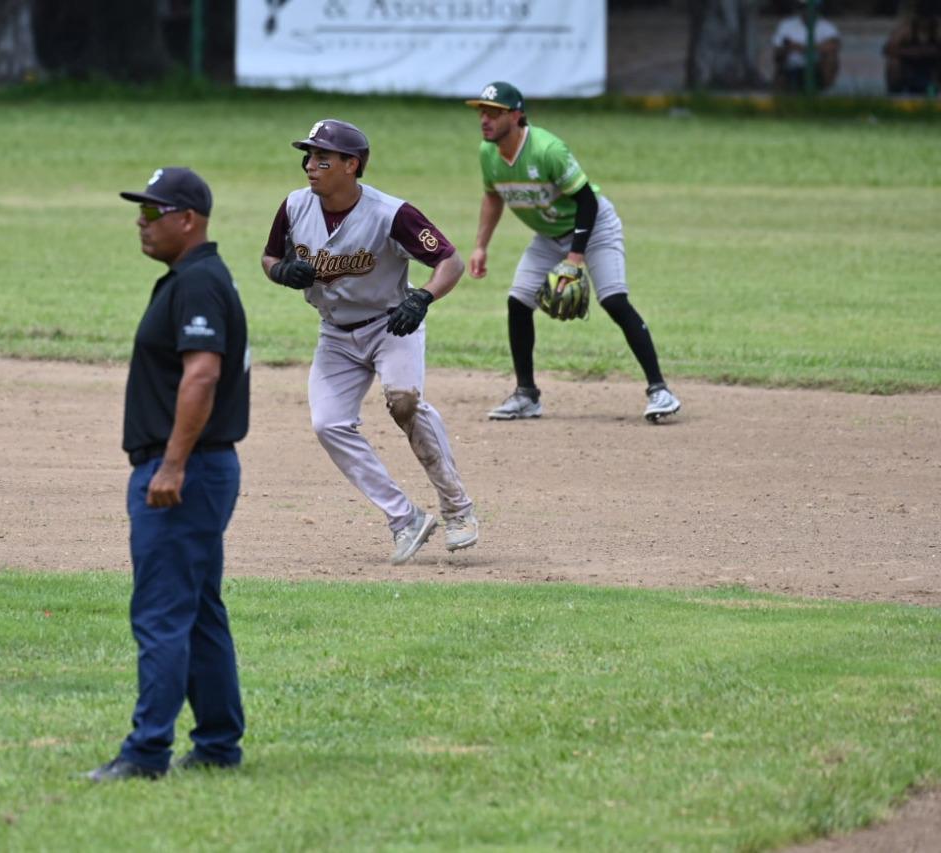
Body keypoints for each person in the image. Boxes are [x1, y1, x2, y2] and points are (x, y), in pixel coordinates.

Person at [84, 167, 250, 783]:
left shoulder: (199, 284)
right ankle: (217, 743)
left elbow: (202, 375)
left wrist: (172, 463)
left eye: (153, 212)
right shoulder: (192, 280)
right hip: (200, 468)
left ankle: (146, 752)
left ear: (188, 219)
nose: (141, 222)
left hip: (186, 471)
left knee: (161, 613)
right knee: (199, 608)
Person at [260, 119, 479, 566]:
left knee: (404, 403)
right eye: (308, 156)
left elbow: (450, 262)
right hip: (335, 335)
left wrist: (422, 298)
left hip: (392, 325)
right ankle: (405, 519)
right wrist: (280, 271)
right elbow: (269, 256)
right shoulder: (295, 206)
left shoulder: (391, 213)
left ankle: (457, 509)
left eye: (322, 157)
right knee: (329, 424)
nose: (310, 166)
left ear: (351, 165)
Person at [465, 82, 681, 423]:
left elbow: (587, 200)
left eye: (494, 112)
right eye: (482, 111)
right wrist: (480, 246)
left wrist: (575, 258)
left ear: (517, 115)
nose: (484, 119)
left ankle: (660, 390)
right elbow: (493, 196)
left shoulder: (548, 150)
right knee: (518, 302)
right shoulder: (487, 153)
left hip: (594, 226)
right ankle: (526, 395)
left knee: (612, 299)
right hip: (549, 235)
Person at [772, 0, 841, 92]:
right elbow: (779, 47)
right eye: (804, 7)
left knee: (831, 57)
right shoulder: (786, 25)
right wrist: (817, 47)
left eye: (811, 8)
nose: (807, 11)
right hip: (792, 66)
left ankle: (824, 90)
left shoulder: (827, 26)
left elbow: (833, 45)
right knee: (779, 57)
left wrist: (800, 47)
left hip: (817, 66)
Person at [884, 0, 941, 95]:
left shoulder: (938, 27)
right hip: (910, 68)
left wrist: (927, 52)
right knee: (893, 62)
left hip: (932, 70)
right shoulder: (907, 27)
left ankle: (934, 86)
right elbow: (888, 49)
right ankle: (895, 91)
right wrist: (913, 52)